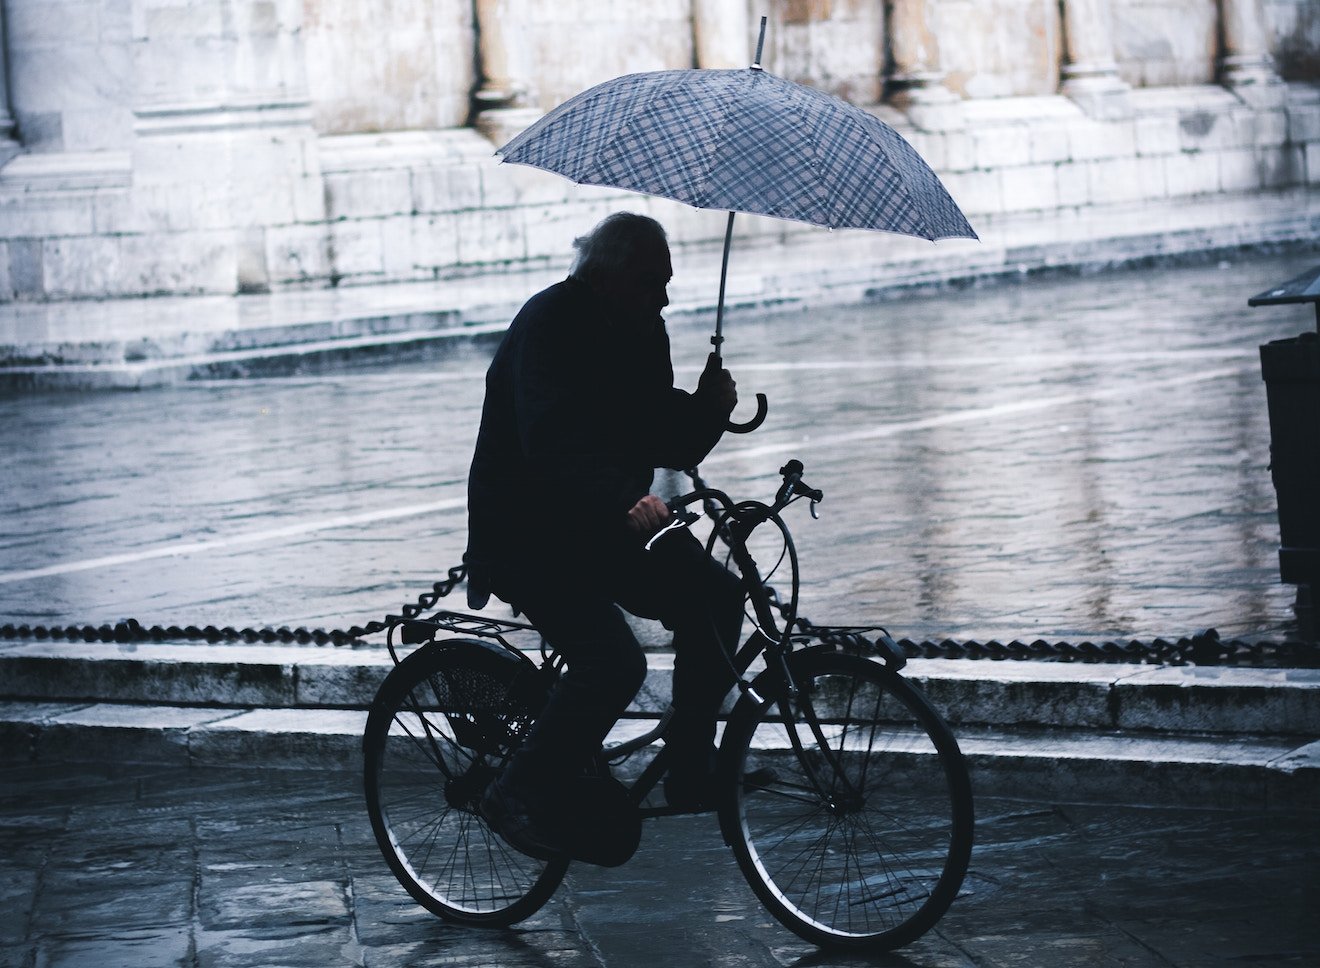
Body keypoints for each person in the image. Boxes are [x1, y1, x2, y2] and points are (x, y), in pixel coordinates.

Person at [464, 212, 744, 859]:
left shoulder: (647, 332)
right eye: (652, 282)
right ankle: (514, 788)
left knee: (718, 597)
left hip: (607, 524)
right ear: (608, 278)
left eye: (667, 282)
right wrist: (627, 498)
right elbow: (551, 444)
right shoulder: (547, 326)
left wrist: (708, 408)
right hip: (530, 534)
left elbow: (660, 434)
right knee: (613, 661)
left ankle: (689, 765)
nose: (665, 296)